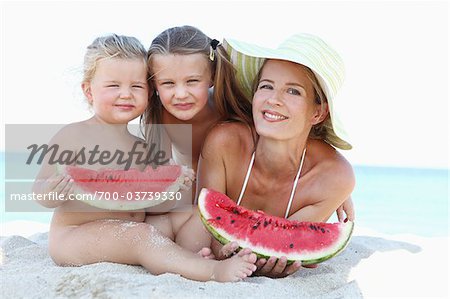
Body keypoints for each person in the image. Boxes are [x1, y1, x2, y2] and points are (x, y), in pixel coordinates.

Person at [32, 33, 257, 282]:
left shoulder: (141, 147)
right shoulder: (72, 135)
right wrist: (52, 193)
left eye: (136, 86)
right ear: (88, 90)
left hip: (136, 228)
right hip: (75, 236)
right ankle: (211, 271)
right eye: (113, 86)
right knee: (139, 237)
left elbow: (153, 205)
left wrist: (171, 186)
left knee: (194, 214)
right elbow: (39, 190)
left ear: (149, 92)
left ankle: (191, 255)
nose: (126, 94)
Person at [175, 33, 356, 278]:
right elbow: (204, 224)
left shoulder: (334, 178)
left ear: (318, 112)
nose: (273, 99)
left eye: (293, 91)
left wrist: (277, 258)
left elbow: (288, 245)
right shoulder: (225, 142)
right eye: (266, 86)